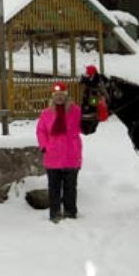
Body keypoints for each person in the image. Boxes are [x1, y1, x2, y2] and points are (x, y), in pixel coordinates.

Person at [36, 81, 83, 223]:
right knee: (54, 189)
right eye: (56, 95)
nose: (59, 98)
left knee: (70, 188)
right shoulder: (46, 113)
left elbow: (87, 123)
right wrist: (44, 146)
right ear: (53, 96)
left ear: (66, 95)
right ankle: (55, 213)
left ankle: (70, 213)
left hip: (71, 155)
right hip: (53, 156)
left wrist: (97, 105)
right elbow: (41, 131)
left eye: (62, 95)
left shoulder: (76, 111)